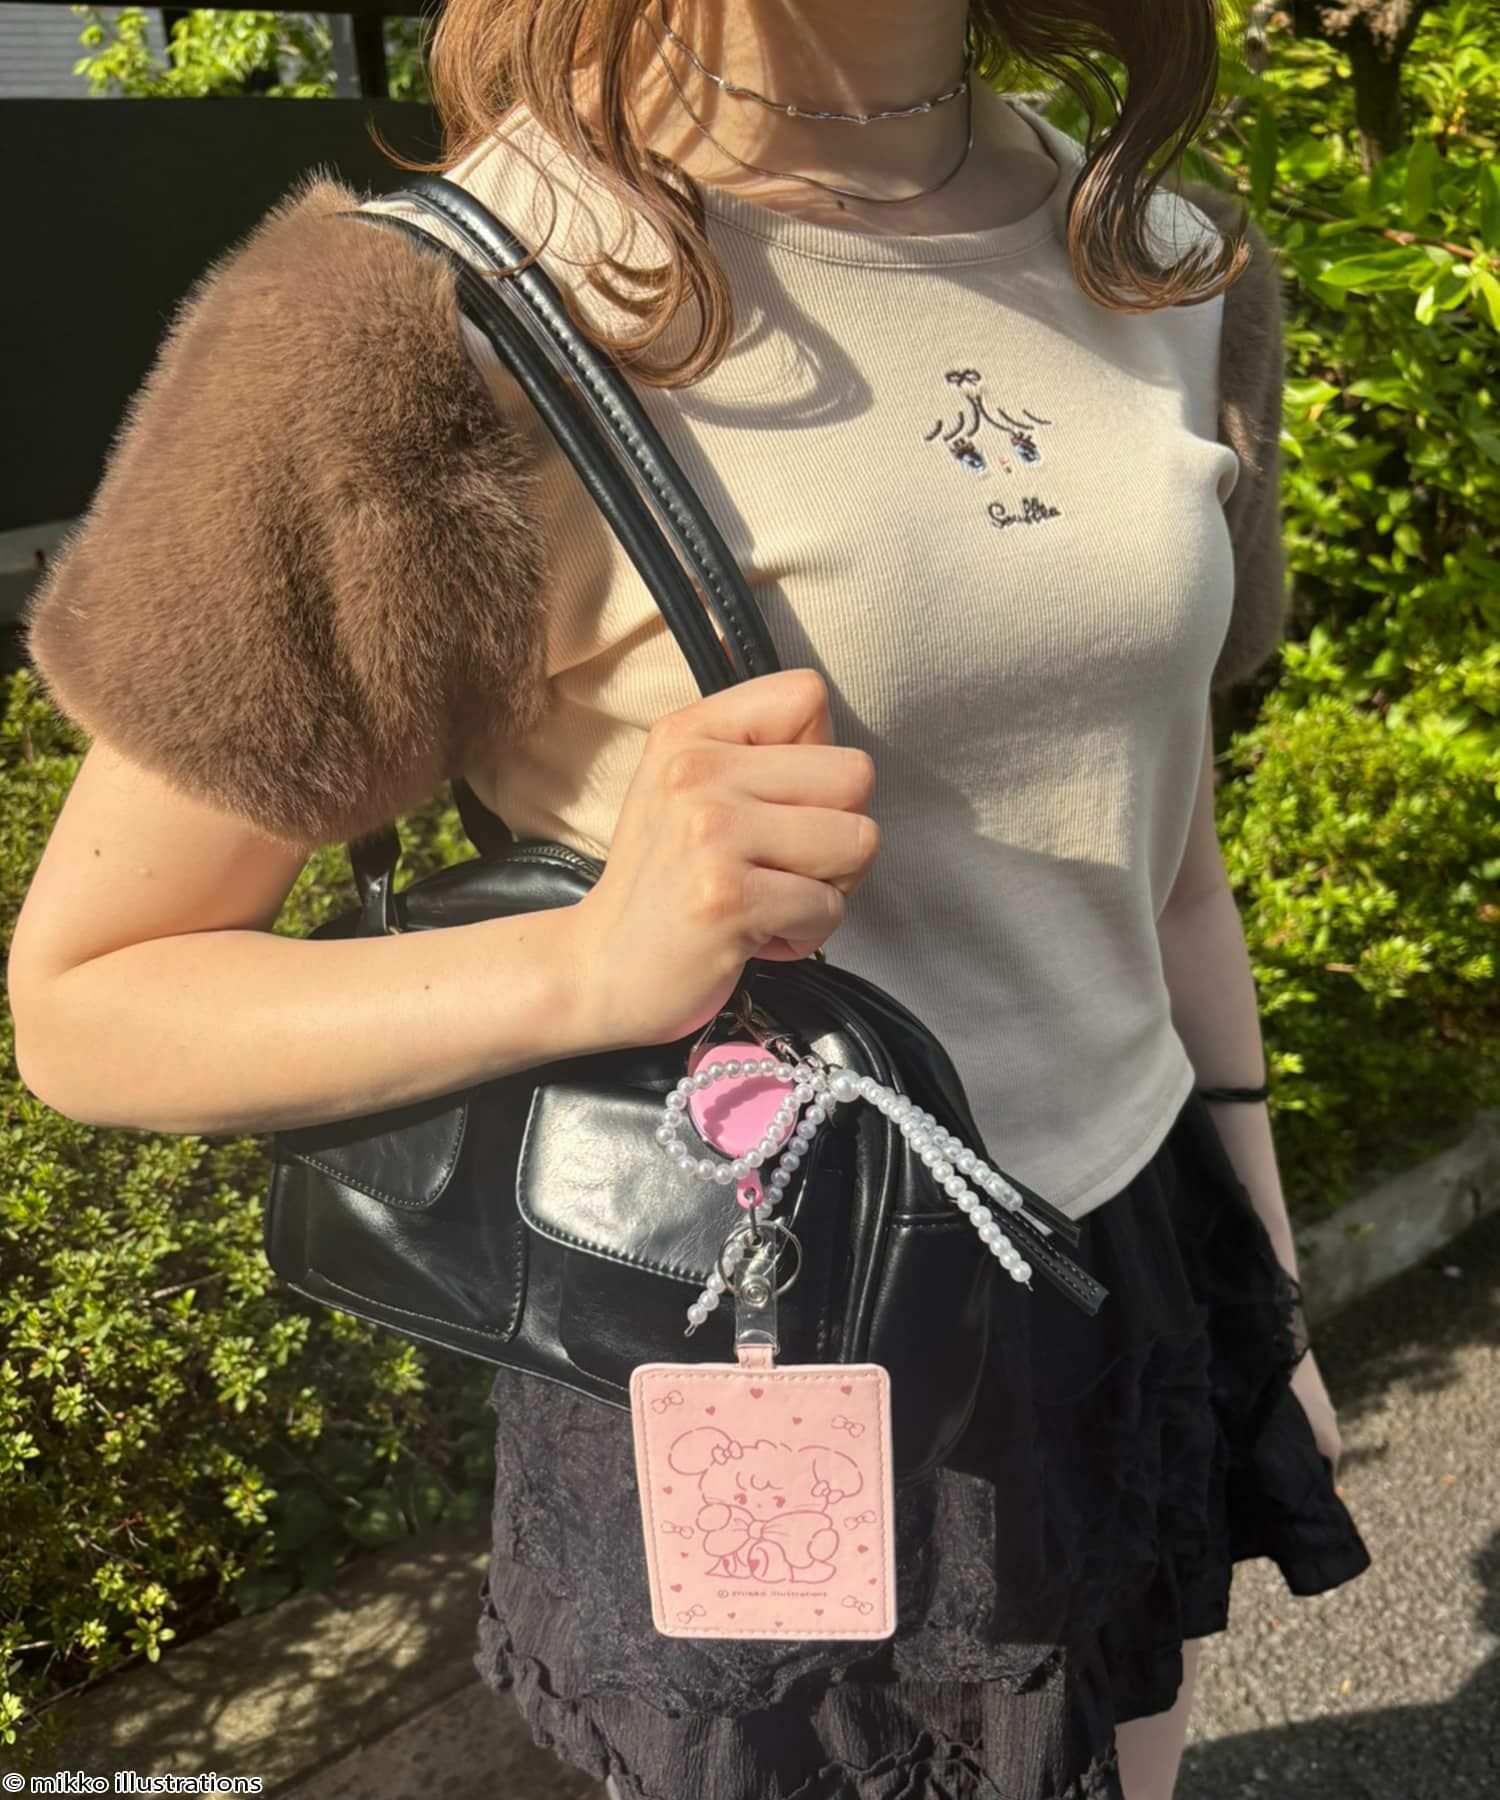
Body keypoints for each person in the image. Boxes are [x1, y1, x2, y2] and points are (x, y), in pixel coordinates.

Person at [10, 2, 1372, 1796]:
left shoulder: (1166, 252)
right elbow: (92, 1001)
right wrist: (592, 964)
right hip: (761, 1317)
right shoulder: (422, 324)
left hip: (1132, 1261)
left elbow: (1168, 865)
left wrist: (1267, 1291)